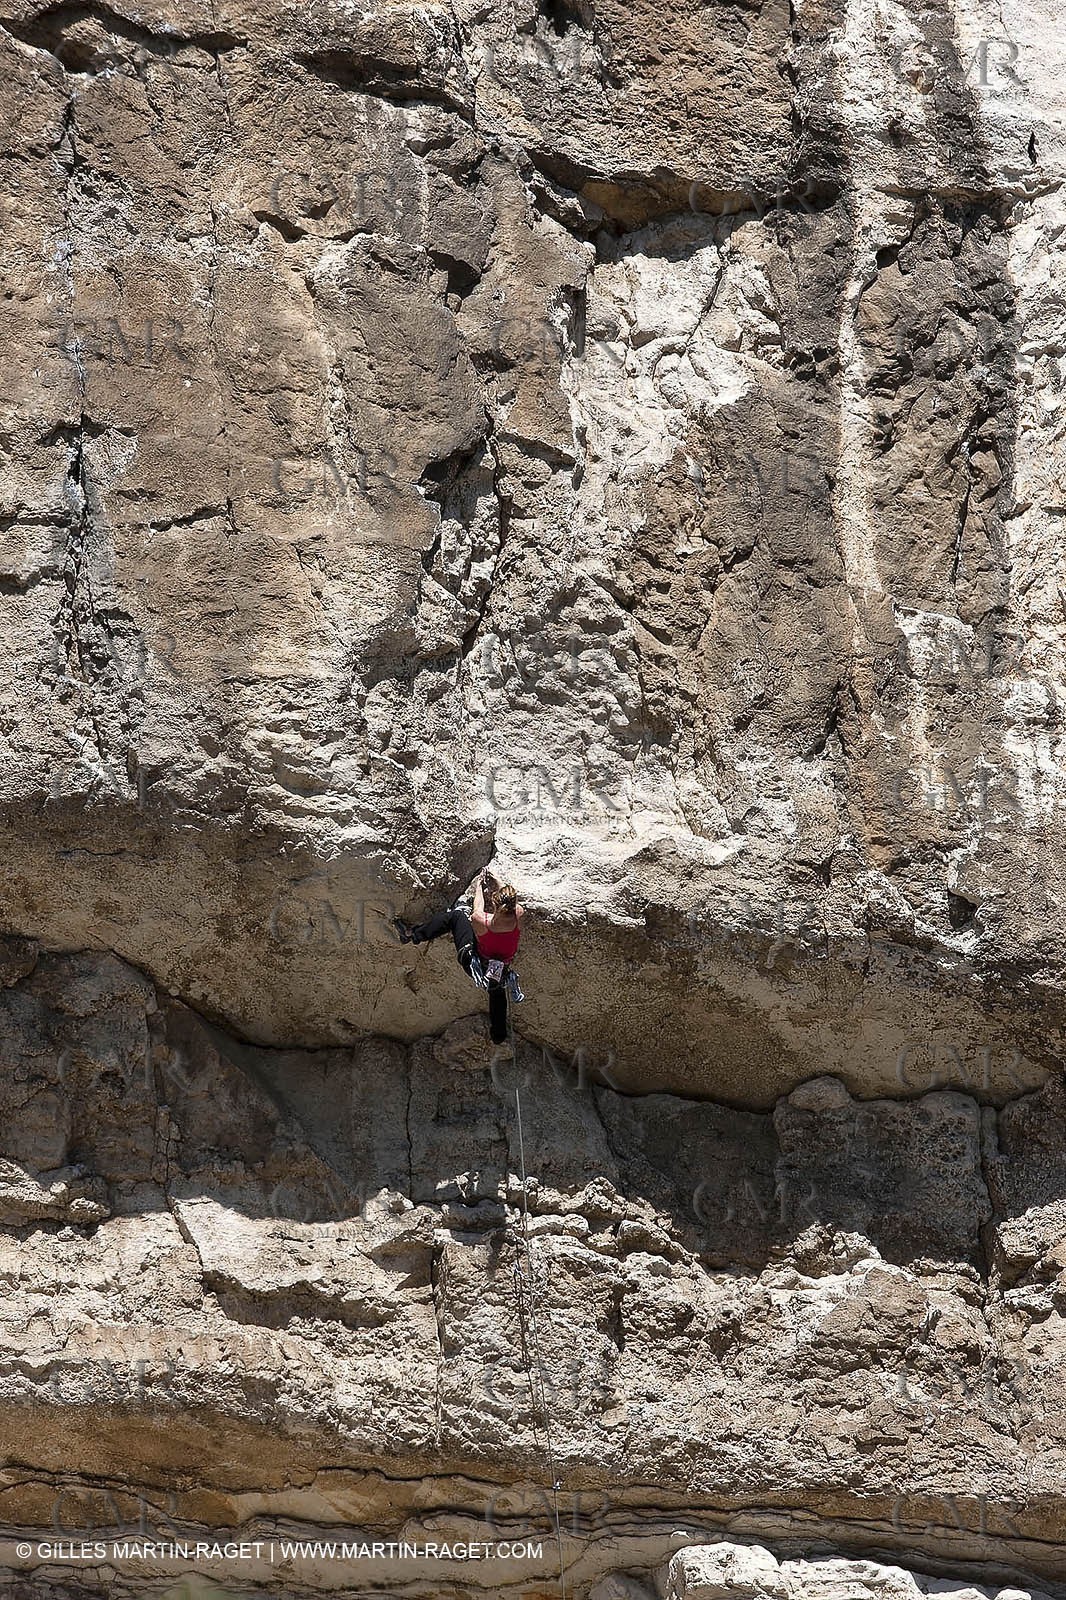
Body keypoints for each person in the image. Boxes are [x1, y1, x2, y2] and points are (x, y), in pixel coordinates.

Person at [395, 873, 525, 1046]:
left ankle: (413, 934)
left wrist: (479, 886)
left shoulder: (483, 922)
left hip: (475, 965)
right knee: (497, 991)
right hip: (500, 967)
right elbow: (509, 901)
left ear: (495, 905)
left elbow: (477, 907)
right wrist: (498, 881)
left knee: (456, 917)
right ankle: (498, 1035)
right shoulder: (519, 915)